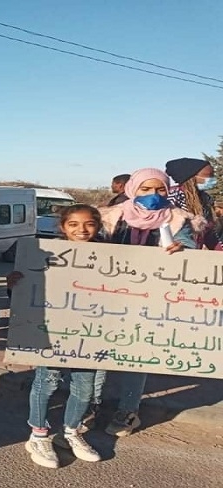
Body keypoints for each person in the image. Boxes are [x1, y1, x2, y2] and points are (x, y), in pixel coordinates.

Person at [97, 167, 200, 437]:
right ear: (133, 189)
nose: (153, 195)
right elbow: (81, 248)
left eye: (160, 190)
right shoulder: (110, 217)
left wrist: (183, 250)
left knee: (137, 357)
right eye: (145, 189)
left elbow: (190, 249)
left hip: (149, 302)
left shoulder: (178, 220)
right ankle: (88, 405)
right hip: (104, 298)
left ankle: (127, 412)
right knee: (94, 351)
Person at [8, 204, 104, 469]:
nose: (81, 230)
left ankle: (71, 432)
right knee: (47, 382)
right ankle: (38, 435)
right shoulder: (43, 255)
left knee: (84, 387)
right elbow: (26, 295)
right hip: (52, 334)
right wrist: (16, 284)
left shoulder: (114, 258)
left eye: (89, 224)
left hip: (92, 335)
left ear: (98, 226)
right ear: (63, 227)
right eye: (73, 224)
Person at [165, 157, 222, 250]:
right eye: (209, 175)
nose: (213, 179)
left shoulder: (206, 199)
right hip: (174, 249)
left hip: (194, 252)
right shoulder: (174, 195)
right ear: (191, 177)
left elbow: (209, 233)